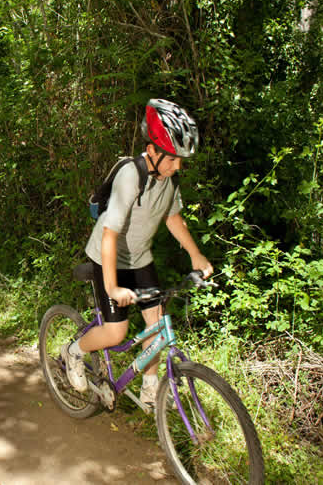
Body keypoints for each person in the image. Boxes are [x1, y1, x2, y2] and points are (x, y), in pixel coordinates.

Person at [62, 99, 214, 410]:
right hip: (108, 257)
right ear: (153, 150)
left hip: (140, 257)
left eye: (181, 160)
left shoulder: (169, 179)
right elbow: (110, 233)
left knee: (156, 323)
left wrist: (195, 255)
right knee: (117, 332)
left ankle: (150, 390)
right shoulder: (131, 176)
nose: (178, 166)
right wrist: (113, 287)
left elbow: (173, 219)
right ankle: (73, 352)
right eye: (172, 159)